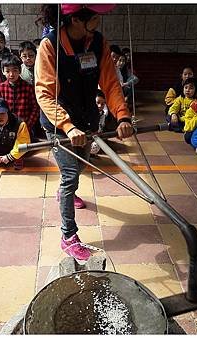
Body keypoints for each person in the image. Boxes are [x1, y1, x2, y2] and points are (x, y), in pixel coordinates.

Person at [35, 4, 134, 262]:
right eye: (94, 16)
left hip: (87, 118)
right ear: (76, 19)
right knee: (70, 176)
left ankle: (65, 192)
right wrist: (67, 125)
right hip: (60, 124)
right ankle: (68, 237)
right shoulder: (50, 45)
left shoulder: (98, 42)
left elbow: (110, 82)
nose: (99, 20)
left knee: (81, 166)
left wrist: (122, 115)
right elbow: (44, 93)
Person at [0, 55, 39, 137]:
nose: (11, 74)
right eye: (7, 71)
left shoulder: (28, 87)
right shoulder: (1, 88)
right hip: (6, 127)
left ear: (20, 71)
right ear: (3, 71)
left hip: (25, 127)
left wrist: (28, 125)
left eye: (15, 70)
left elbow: (35, 108)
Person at [90, 90, 118, 155]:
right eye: (97, 102)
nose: (100, 106)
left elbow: (102, 126)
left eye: (102, 104)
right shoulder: (88, 114)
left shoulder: (103, 114)